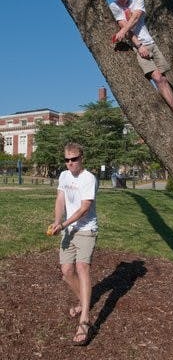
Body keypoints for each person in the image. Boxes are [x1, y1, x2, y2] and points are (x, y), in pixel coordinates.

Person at [109, 0, 173, 128]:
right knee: (158, 78)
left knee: (164, 79)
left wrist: (122, 30)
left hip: (151, 43)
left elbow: (135, 18)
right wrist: (139, 46)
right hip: (138, 45)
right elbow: (126, 27)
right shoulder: (114, 7)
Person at [51, 142, 98, 346]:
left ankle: (85, 319)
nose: (70, 163)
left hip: (86, 230)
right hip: (67, 229)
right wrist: (56, 221)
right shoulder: (64, 176)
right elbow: (60, 199)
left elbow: (84, 209)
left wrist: (63, 224)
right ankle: (84, 301)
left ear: (82, 158)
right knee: (67, 271)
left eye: (74, 159)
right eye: (67, 160)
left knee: (81, 267)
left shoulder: (89, 178)